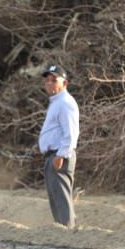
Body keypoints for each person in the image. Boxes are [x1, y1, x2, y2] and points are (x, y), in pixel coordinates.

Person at [37, 64, 79, 228]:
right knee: (56, 196)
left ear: (64, 83)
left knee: (61, 197)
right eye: (47, 80)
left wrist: (61, 154)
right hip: (53, 155)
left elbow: (71, 133)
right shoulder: (56, 102)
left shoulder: (65, 102)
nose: (49, 83)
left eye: (54, 80)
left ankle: (67, 231)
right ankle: (63, 230)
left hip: (59, 156)